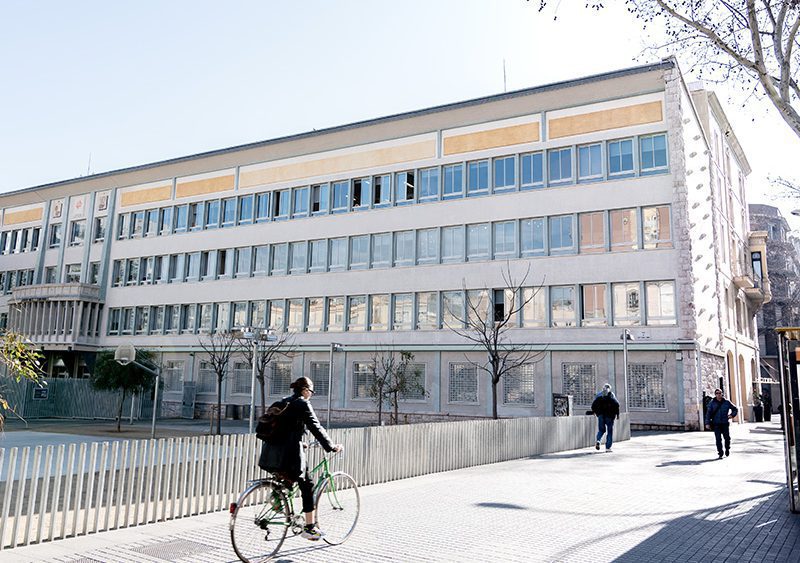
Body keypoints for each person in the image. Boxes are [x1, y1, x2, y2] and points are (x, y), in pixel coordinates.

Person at [258, 376, 342, 540]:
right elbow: (315, 427)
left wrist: (300, 443)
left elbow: (283, 430)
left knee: (287, 478)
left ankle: (276, 496)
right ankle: (310, 529)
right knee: (307, 484)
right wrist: (331, 446)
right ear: (305, 390)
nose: (311, 394)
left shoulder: (282, 403)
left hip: (269, 455)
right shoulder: (302, 404)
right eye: (310, 391)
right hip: (288, 457)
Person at [704, 388, 738, 459]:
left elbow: (735, 409)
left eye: (720, 393)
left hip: (725, 423)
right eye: (717, 393)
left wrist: (732, 415)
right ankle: (720, 452)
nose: (718, 395)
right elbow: (708, 413)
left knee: (727, 438)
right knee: (718, 439)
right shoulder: (712, 403)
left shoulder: (727, 402)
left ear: (722, 394)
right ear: (715, 395)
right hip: (716, 424)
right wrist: (707, 423)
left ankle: (727, 449)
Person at [591, 383, 620, 452]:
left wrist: (597, 413)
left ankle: (598, 440)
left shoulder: (599, 395)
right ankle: (608, 448)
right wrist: (617, 414)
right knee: (609, 431)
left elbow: (593, 405)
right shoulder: (611, 395)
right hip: (609, 416)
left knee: (601, 430)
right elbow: (617, 405)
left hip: (601, 416)